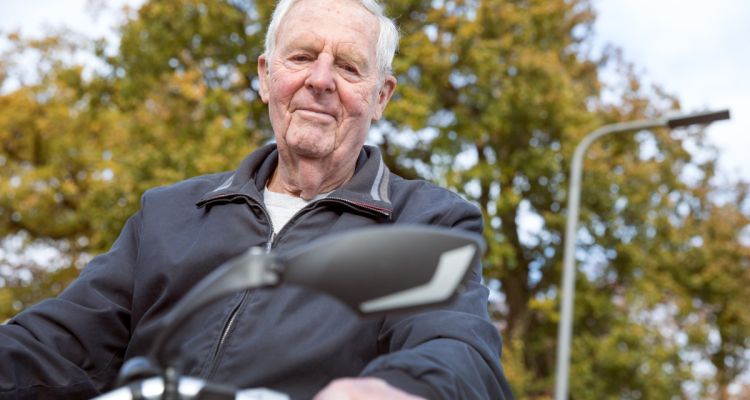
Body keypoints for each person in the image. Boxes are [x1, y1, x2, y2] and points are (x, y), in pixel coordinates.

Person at [0, 0, 514, 399]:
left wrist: (394, 389)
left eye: (350, 68)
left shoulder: (427, 221)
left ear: (380, 97)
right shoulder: (168, 213)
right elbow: (57, 345)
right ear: (267, 77)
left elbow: (457, 350)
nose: (320, 80)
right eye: (303, 57)